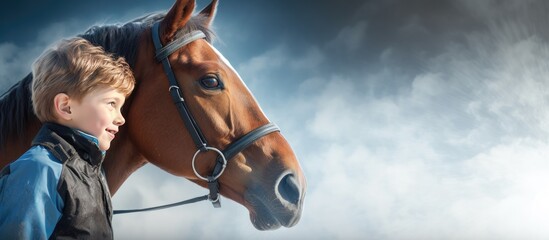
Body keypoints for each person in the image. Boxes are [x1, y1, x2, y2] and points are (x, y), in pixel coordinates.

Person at [0, 37, 135, 239]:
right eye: (111, 104)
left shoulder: (93, 172)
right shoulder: (39, 169)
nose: (121, 118)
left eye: (120, 107)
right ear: (66, 107)